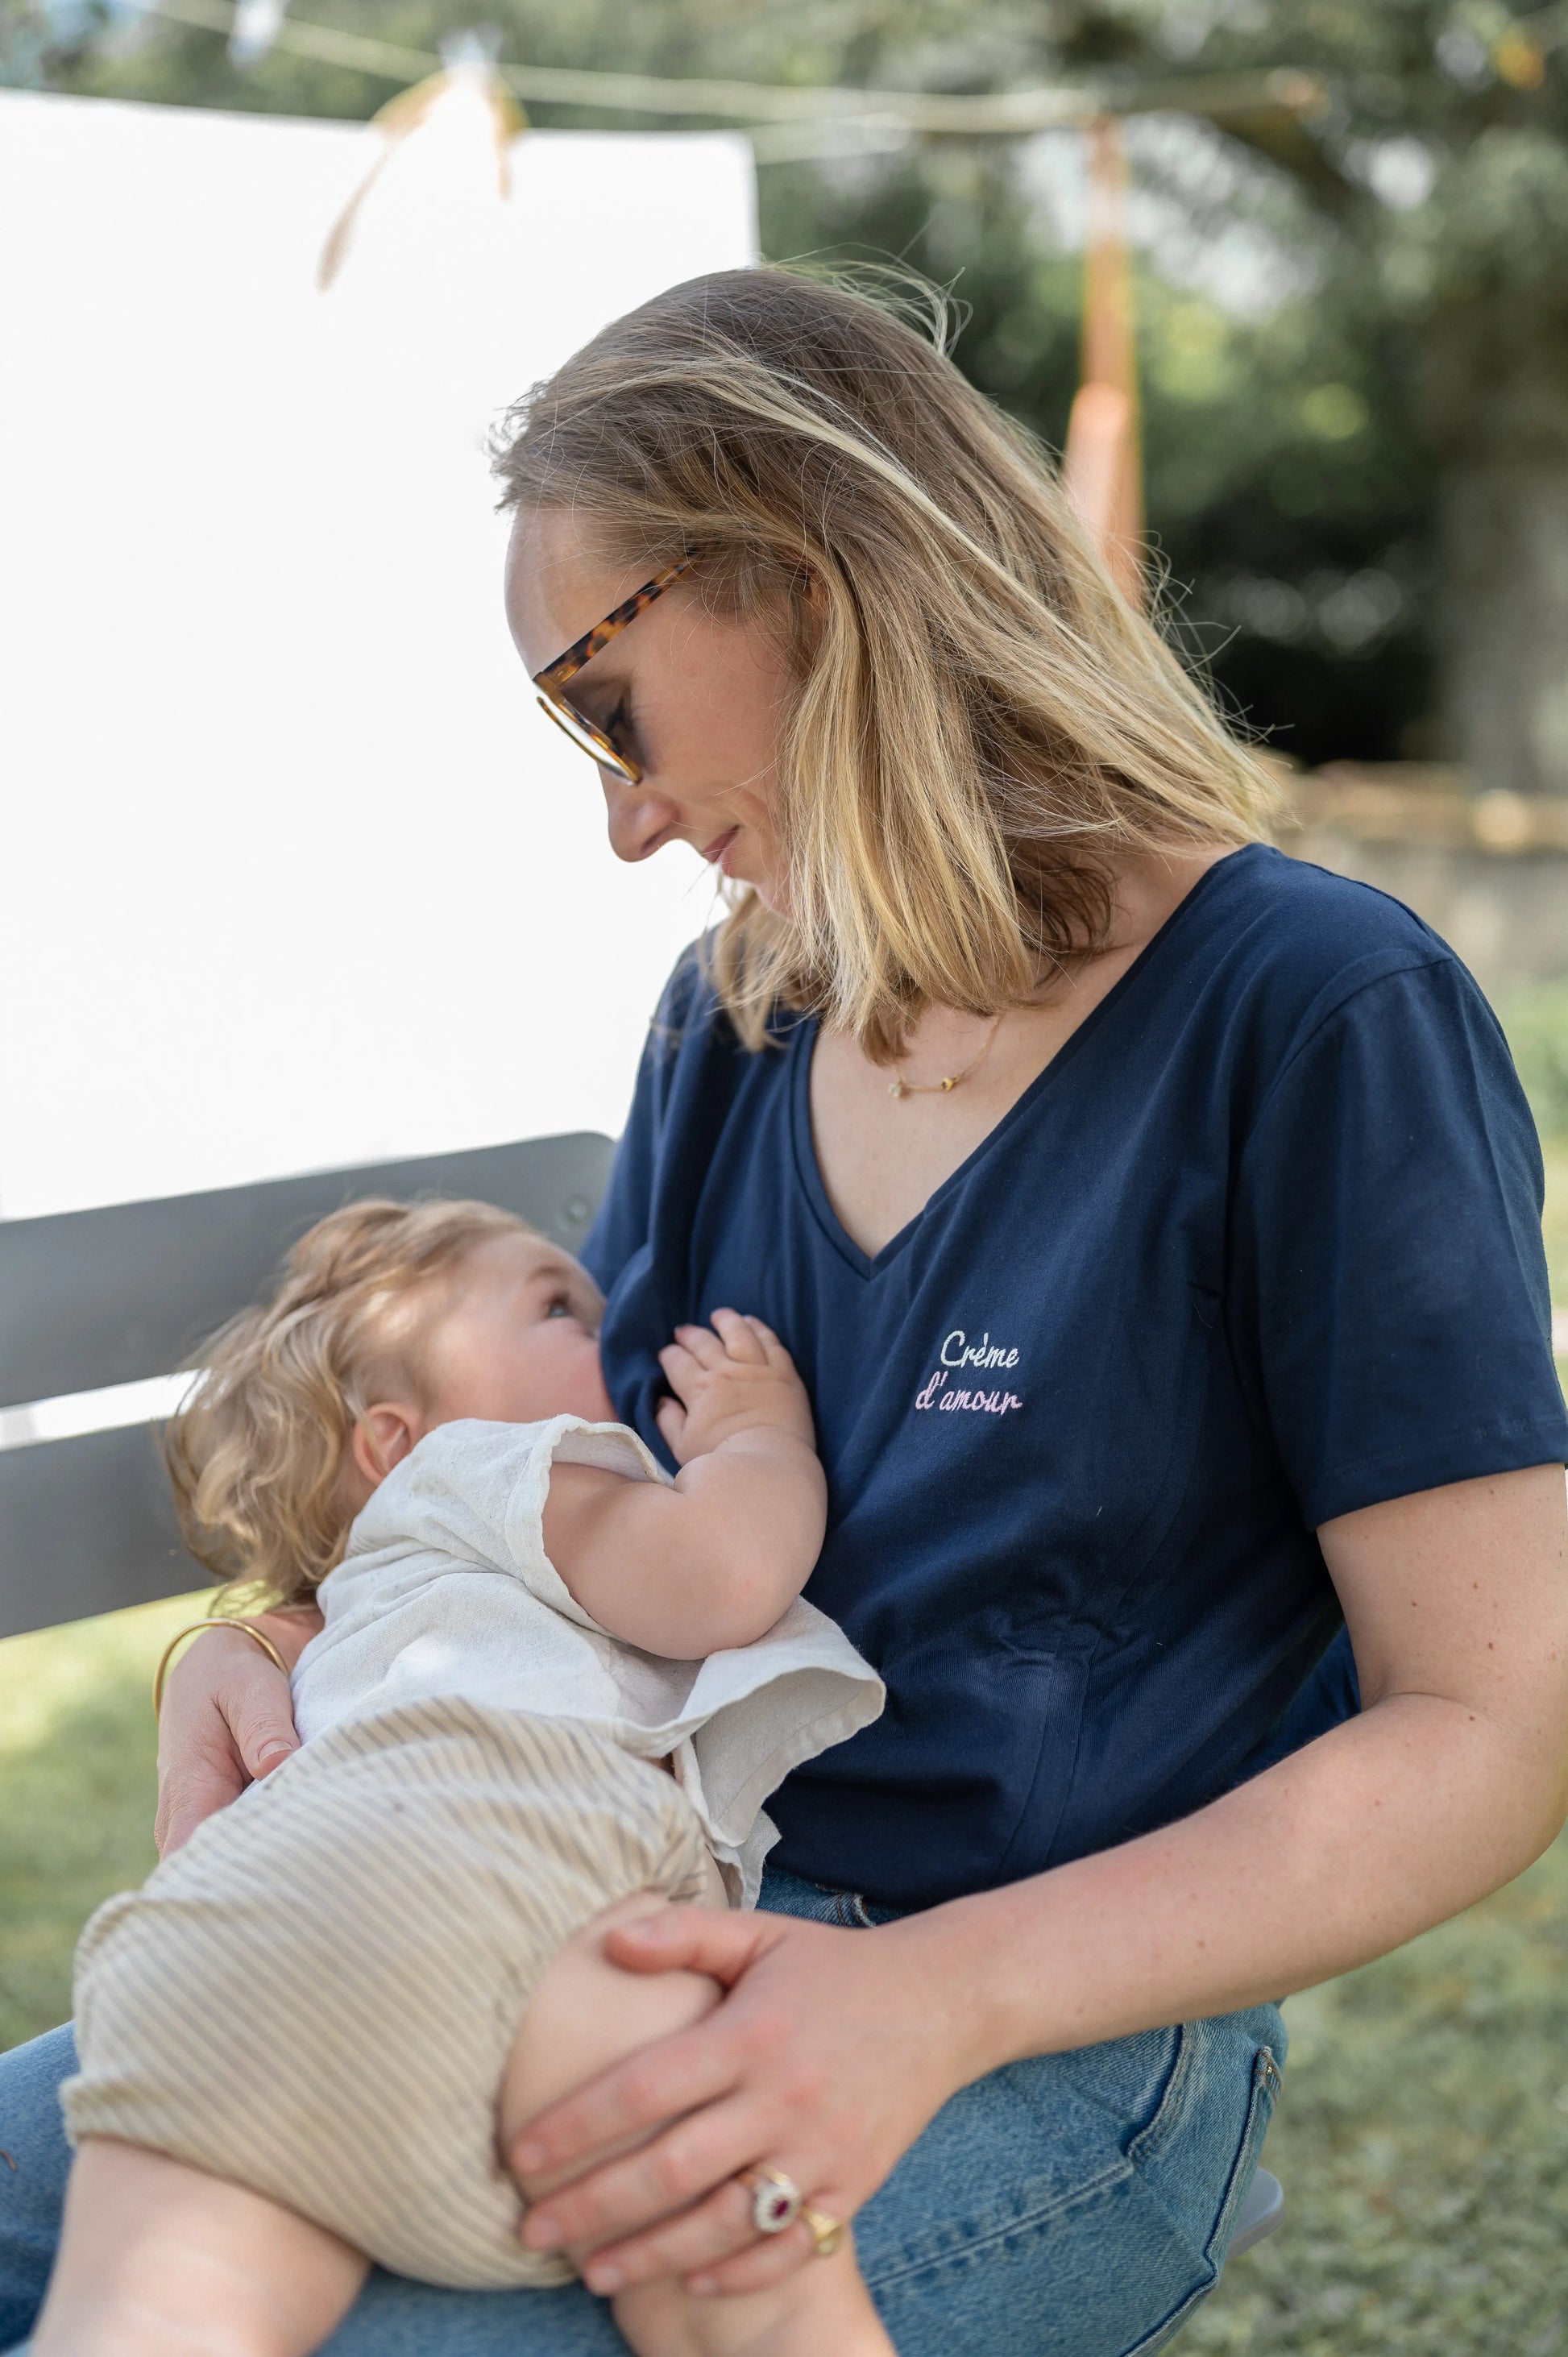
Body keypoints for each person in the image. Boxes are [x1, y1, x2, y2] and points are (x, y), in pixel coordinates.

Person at [3, 265, 1566, 2357]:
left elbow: (1484, 1726)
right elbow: (615, 1506)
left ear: (812, 580)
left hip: (1040, 2032)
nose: (620, 809)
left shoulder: (1315, 1016)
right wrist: (272, 1642)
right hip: (579, 1910)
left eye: (600, 698)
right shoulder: (731, 1018)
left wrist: (928, 1995)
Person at [33, 1197, 887, 2357]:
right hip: (509, 1891)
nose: (615, 1324)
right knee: (749, 2299)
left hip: (223, 1946)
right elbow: (727, 1571)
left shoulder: (364, 1608)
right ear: (394, 1440)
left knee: (155, 2319)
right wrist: (758, 1438)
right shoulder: (494, 1470)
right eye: (555, 1304)